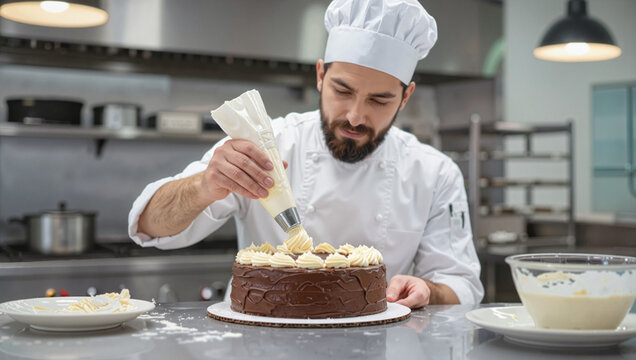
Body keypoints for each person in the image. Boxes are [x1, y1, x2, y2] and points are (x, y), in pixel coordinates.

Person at [128, 0, 484, 307]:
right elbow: (148, 225)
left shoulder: (434, 173)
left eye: (379, 100)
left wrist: (428, 290)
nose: (355, 116)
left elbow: (461, 284)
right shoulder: (269, 142)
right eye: (342, 91)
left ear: (405, 97)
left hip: (380, 348)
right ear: (319, 75)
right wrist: (205, 185)